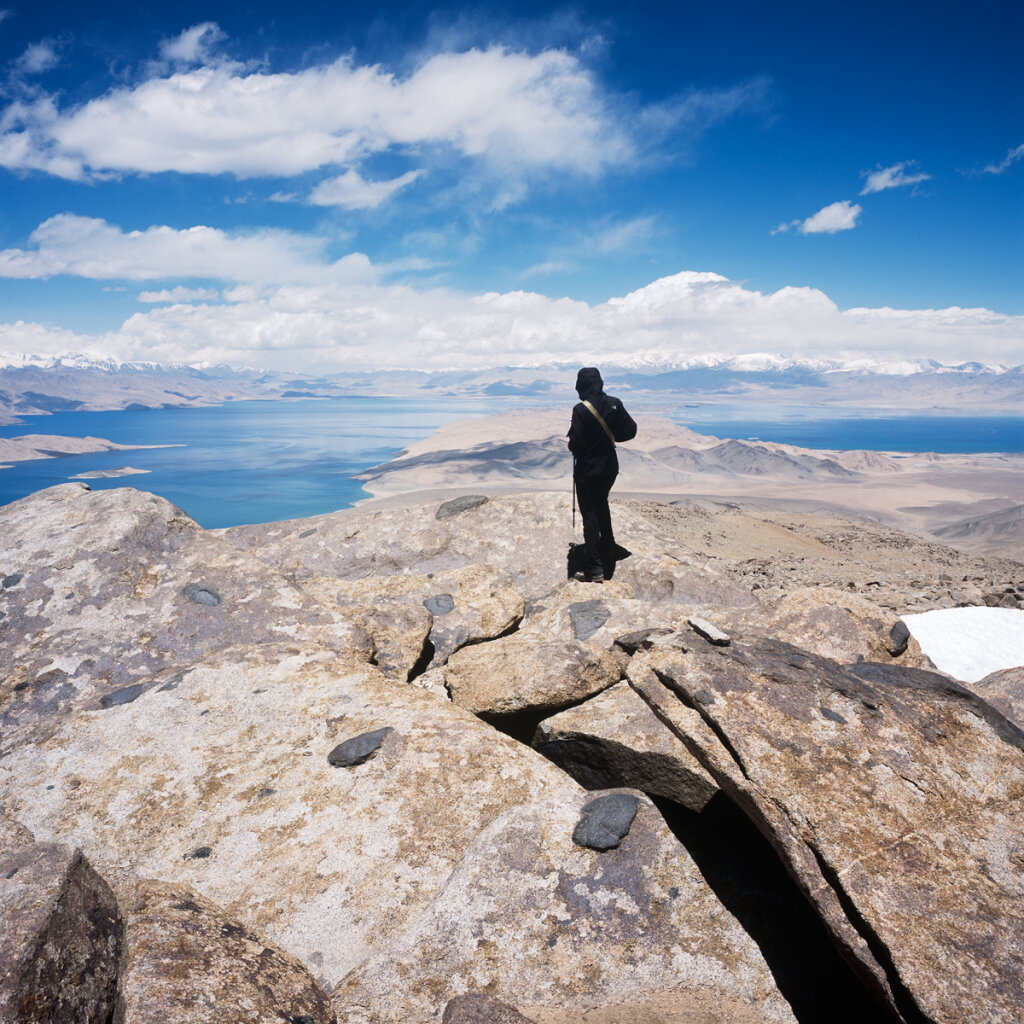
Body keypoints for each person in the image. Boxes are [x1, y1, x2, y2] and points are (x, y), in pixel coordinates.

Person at [567, 367, 636, 582]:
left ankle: (594, 568)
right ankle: (609, 547)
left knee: (590, 514)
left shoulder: (580, 410)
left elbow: (576, 445)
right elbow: (630, 431)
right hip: (609, 469)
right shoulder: (615, 403)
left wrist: (581, 447)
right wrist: (608, 438)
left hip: (588, 471)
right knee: (602, 505)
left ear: (581, 385)